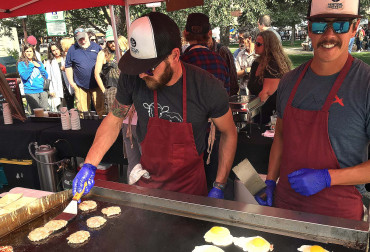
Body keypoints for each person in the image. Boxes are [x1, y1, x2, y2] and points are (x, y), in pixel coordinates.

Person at [72, 12, 237, 200]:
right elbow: (114, 120)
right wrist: (90, 164)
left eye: (149, 68)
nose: (141, 75)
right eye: (137, 66)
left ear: (175, 55)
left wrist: (220, 184)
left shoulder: (206, 86)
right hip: (148, 183)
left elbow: (229, 132)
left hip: (190, 190)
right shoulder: (133, 76)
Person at [255, 0, 370, 221]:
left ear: (355, 27)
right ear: (309, 29)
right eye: (319, 25)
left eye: (340, 26)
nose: (329, 35)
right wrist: (270, 180)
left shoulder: (365, 84)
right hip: (286, 208)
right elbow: (280, 136)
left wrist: (328, 178)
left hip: (339, 218)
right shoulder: (289, 81)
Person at [247, 30, 291, 124]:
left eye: (259, 44)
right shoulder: (256, 63)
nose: (255, 46)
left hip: (271, 116)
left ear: (268, 46)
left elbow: (266, 93)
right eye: (255, 43)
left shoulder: (273, 64)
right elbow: (251, 88)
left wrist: (249, 113)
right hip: (257, 112)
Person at [181, 13, 230, 95]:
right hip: (218, 107)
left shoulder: (181, 62)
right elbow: (226, 94)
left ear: (185, 33)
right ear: (209, 34)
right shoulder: (220, 61)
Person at [65, 28, 104, 117]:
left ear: (87, 35)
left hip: (96, 84)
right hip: (80, 85)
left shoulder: (96, 47)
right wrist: (72, 83)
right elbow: (68, 66)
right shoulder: (72, 49)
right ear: (76, 39)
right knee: (83, 112)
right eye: (80, 39)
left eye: (83, 38)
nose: (82, 41)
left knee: (101, 110)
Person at [18, 43, 49, 112]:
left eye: (30, 51)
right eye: (27, 51)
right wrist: (31, 66)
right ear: (24, 53)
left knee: (45, 112)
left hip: (42, 90)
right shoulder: (21, 64)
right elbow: (24, 77)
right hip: (31, 91)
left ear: (33, 52)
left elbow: (46, 76)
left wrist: (40, 67)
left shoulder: (38, 63)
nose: (29, 53)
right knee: (36, 113)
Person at [44, 42, 66, 111]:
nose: (56, 52)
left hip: (67, 87)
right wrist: (51, 90)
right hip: (57, 87)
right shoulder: (49, 62)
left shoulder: (65, 58)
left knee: (70, 107)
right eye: (53, 50)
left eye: (57, 49)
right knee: (60, 108)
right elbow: (49, 77)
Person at [60, 37, 75, 109]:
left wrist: (64, 68)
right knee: (70, 106)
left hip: (75, 83)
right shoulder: (65, 56)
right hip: (67, 84)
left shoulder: (73, 54)